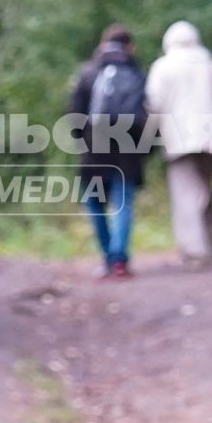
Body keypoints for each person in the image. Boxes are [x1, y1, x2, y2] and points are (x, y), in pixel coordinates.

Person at [145, 21, 212, 265]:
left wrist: (152, 133)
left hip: (177, 139)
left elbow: (153, 103)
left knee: (185, 193)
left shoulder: (162, 67)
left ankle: (194, 250)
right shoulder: (210, 65)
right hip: (211, 137)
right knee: (205, 190)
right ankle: (209, 245)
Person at [66, 23, 149, 278]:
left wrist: (82, 139)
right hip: (128, 148)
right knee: (123, 203)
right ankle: (119, 259)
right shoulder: (138, 75)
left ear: (103, 44)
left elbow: (74, 114)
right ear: (130, 46)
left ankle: (107, 257)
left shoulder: (88, 73)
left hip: (95, 147)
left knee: (94, 202)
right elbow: (149, 115)